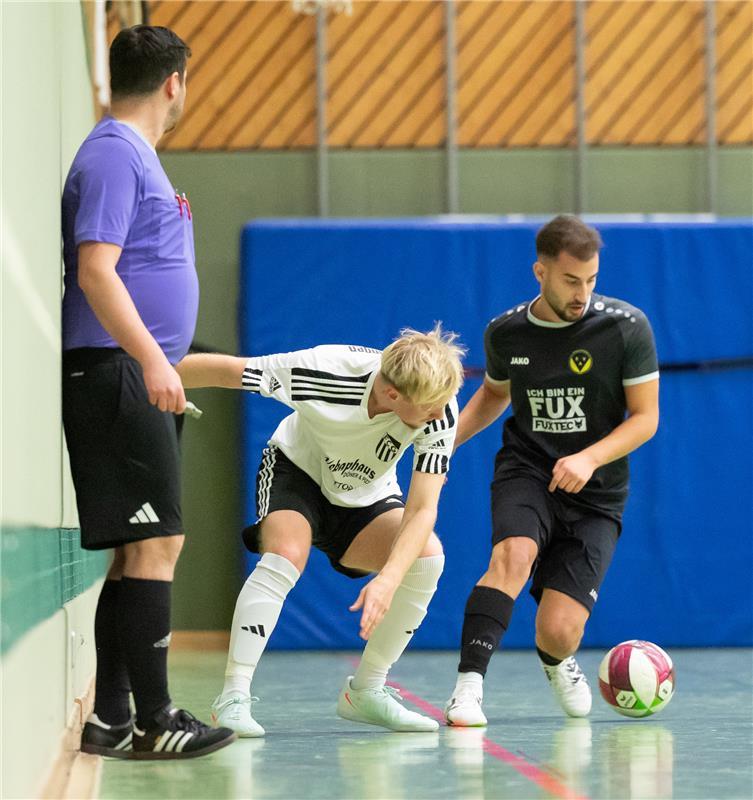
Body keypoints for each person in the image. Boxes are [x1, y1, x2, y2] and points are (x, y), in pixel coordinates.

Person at [62, 26, 235, 759]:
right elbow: (95, 269)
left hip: (136, 373)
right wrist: (149, 361)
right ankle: (156, 718)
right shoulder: (114, 154)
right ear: (174, 82)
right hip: (118, 372)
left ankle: (111, 717)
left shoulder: (136, 156)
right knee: (159, 543)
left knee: (141, 548)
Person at [176, 325, 465, 735]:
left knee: (427, 558)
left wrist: (388, 579)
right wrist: (142, 371)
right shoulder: (323, 370)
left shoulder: (441, 407)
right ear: (393, 394)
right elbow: (229, 371)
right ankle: (233, 697)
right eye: (431, 407)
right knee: (285, 555)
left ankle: (366, 691)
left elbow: (421, 510)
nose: (440, 413)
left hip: (366, 496)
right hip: (298, 473)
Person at [444, 215, 659, 726]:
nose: (582, 294)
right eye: (570, 281)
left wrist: (589, 458)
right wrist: (444, 446)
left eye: (591, 280)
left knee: (558, 631)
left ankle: (557, 661)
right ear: (540, 272)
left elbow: (645, 418)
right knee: (512, 556)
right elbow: (494, 394)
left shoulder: (626, 327)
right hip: (528, 469)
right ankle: (468, 688)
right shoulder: (506, 332)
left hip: (597, 491)